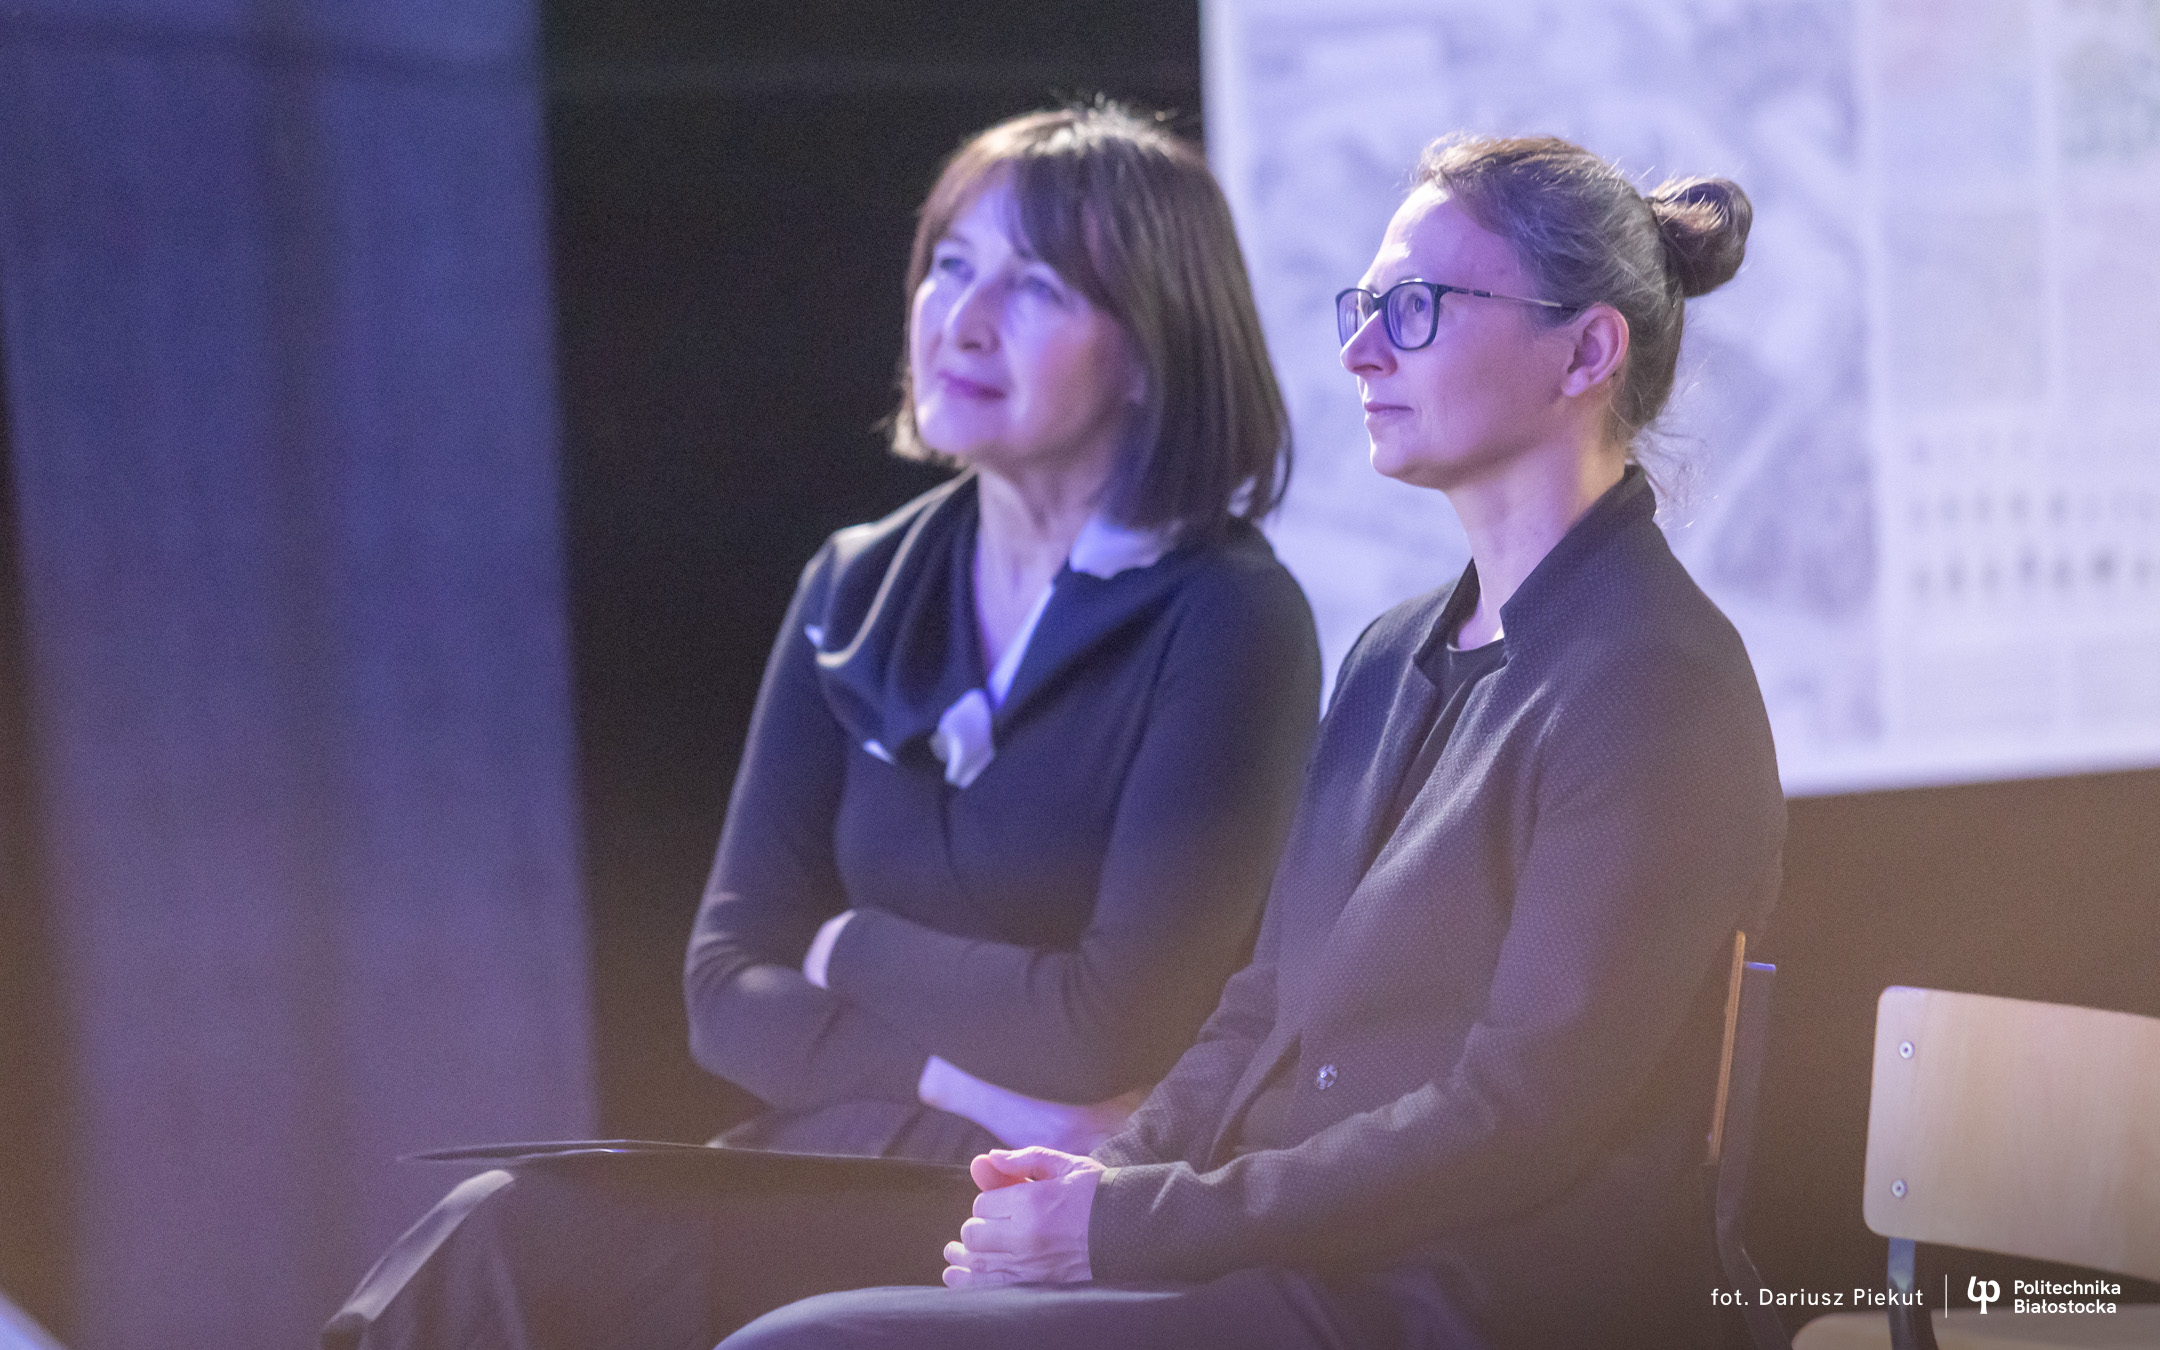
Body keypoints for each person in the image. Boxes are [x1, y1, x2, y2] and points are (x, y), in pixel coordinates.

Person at [717, 134, 1787, 1350]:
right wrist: (1109, 1181)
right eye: (1363, 308)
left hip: (1464, 1306)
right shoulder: (1390, 653)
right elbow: (1260, 1007)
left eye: (1416, 308)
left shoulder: (1655, 683)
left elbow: (1516, 1115)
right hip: (1304, 1268)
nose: (1362, 349)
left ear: (1587, 351)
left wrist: (1128, 1226)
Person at [322, 103, 1322, 1350]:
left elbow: (1108, 1026)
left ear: (1151, 349)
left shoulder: (1228, 616)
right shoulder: (856, 582)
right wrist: (965, 1076)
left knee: (520, 1242)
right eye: (950, 265)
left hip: (1036, 1201)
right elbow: (723, 989)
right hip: (853, 1139)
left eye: (1037, 286)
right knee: (505, 1226)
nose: (962, 319)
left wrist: (848, 946)